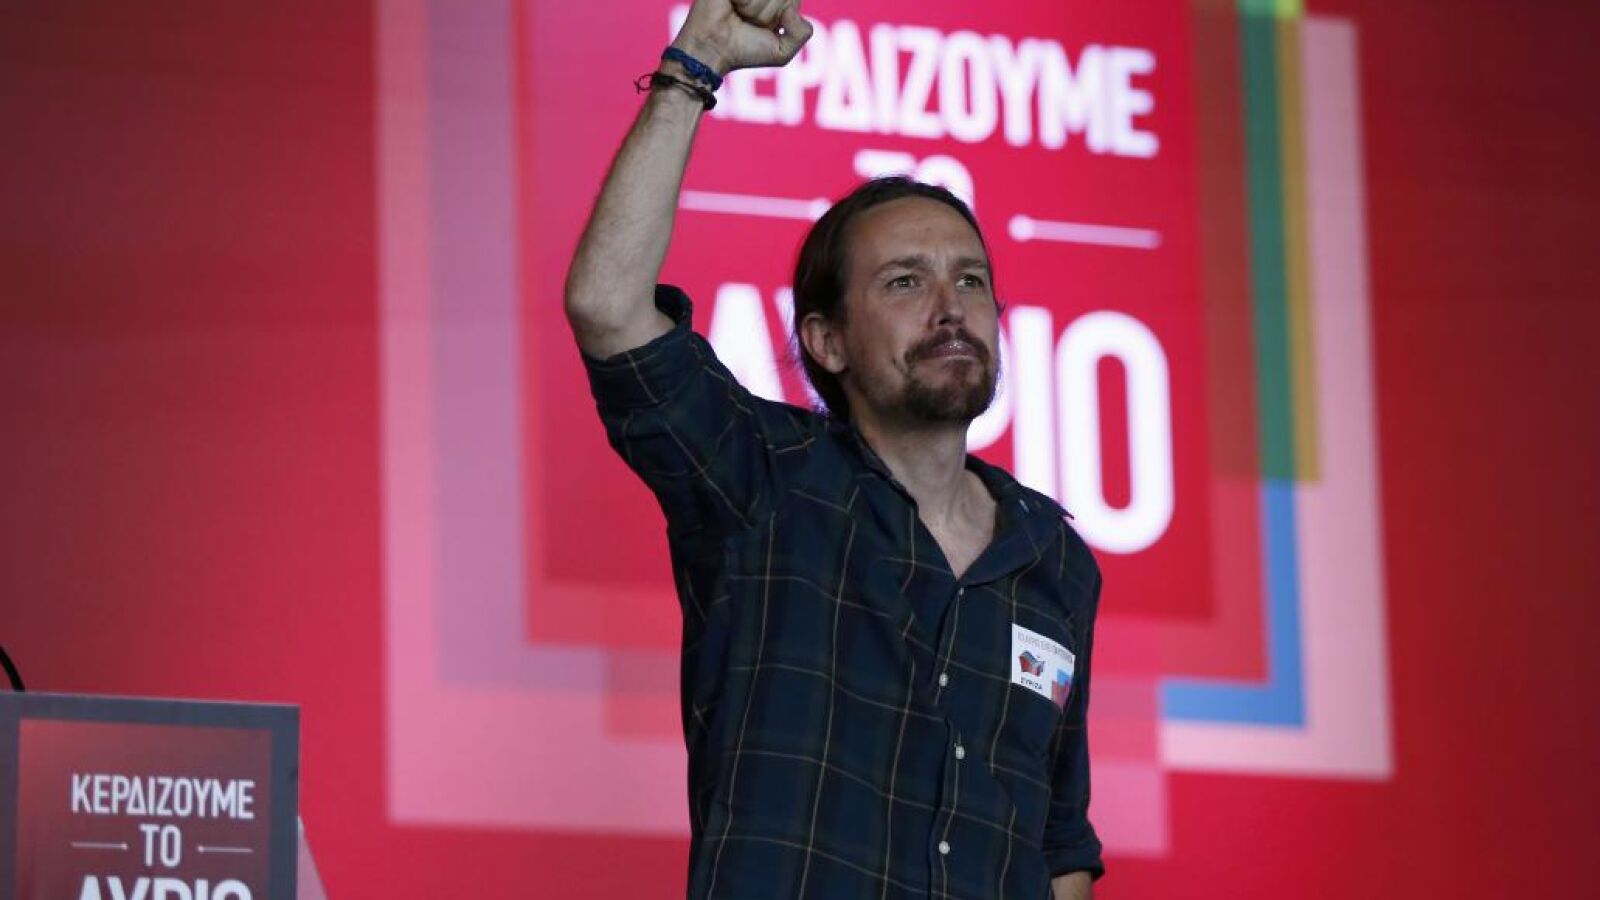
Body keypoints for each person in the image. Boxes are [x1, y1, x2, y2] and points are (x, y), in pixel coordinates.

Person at [564, 1, 1104, 896]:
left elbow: (1058, 846)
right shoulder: (762, 477)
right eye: (905, 282)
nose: (951, 307)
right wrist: (696, 63)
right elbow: (608, 306)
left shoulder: (1053, 557)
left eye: (971, 280)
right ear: (827, 342)